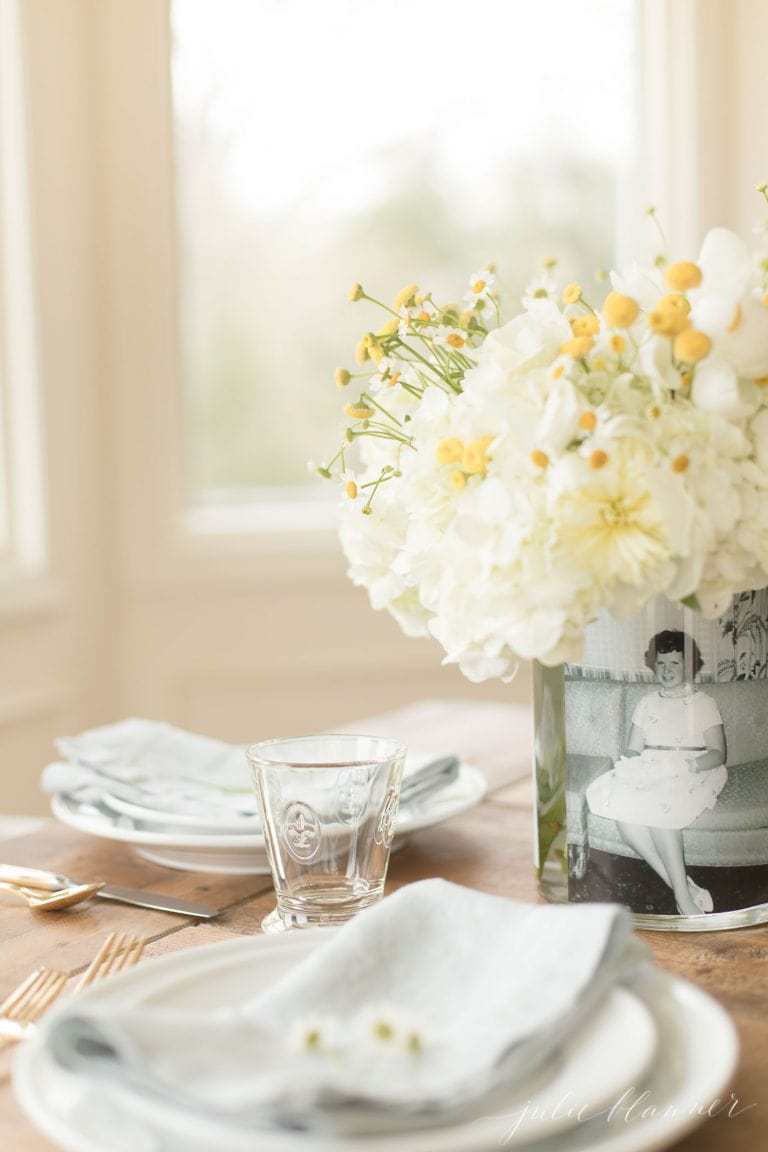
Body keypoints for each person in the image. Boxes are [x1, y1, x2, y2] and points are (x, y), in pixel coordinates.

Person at [586, 630, 727, 916]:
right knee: (625, 820)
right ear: (653, 665)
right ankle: (683, 888)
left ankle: (684, 903)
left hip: (692, 767)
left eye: (675, 664)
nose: (667, 671)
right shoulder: (647, 702)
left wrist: (683, 767)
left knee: (662, 813)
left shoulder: (703, 703)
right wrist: (634, 769)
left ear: (688, 666)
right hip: (651, 769)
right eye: (661, 664)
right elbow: (632, 750)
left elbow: (718, 754)